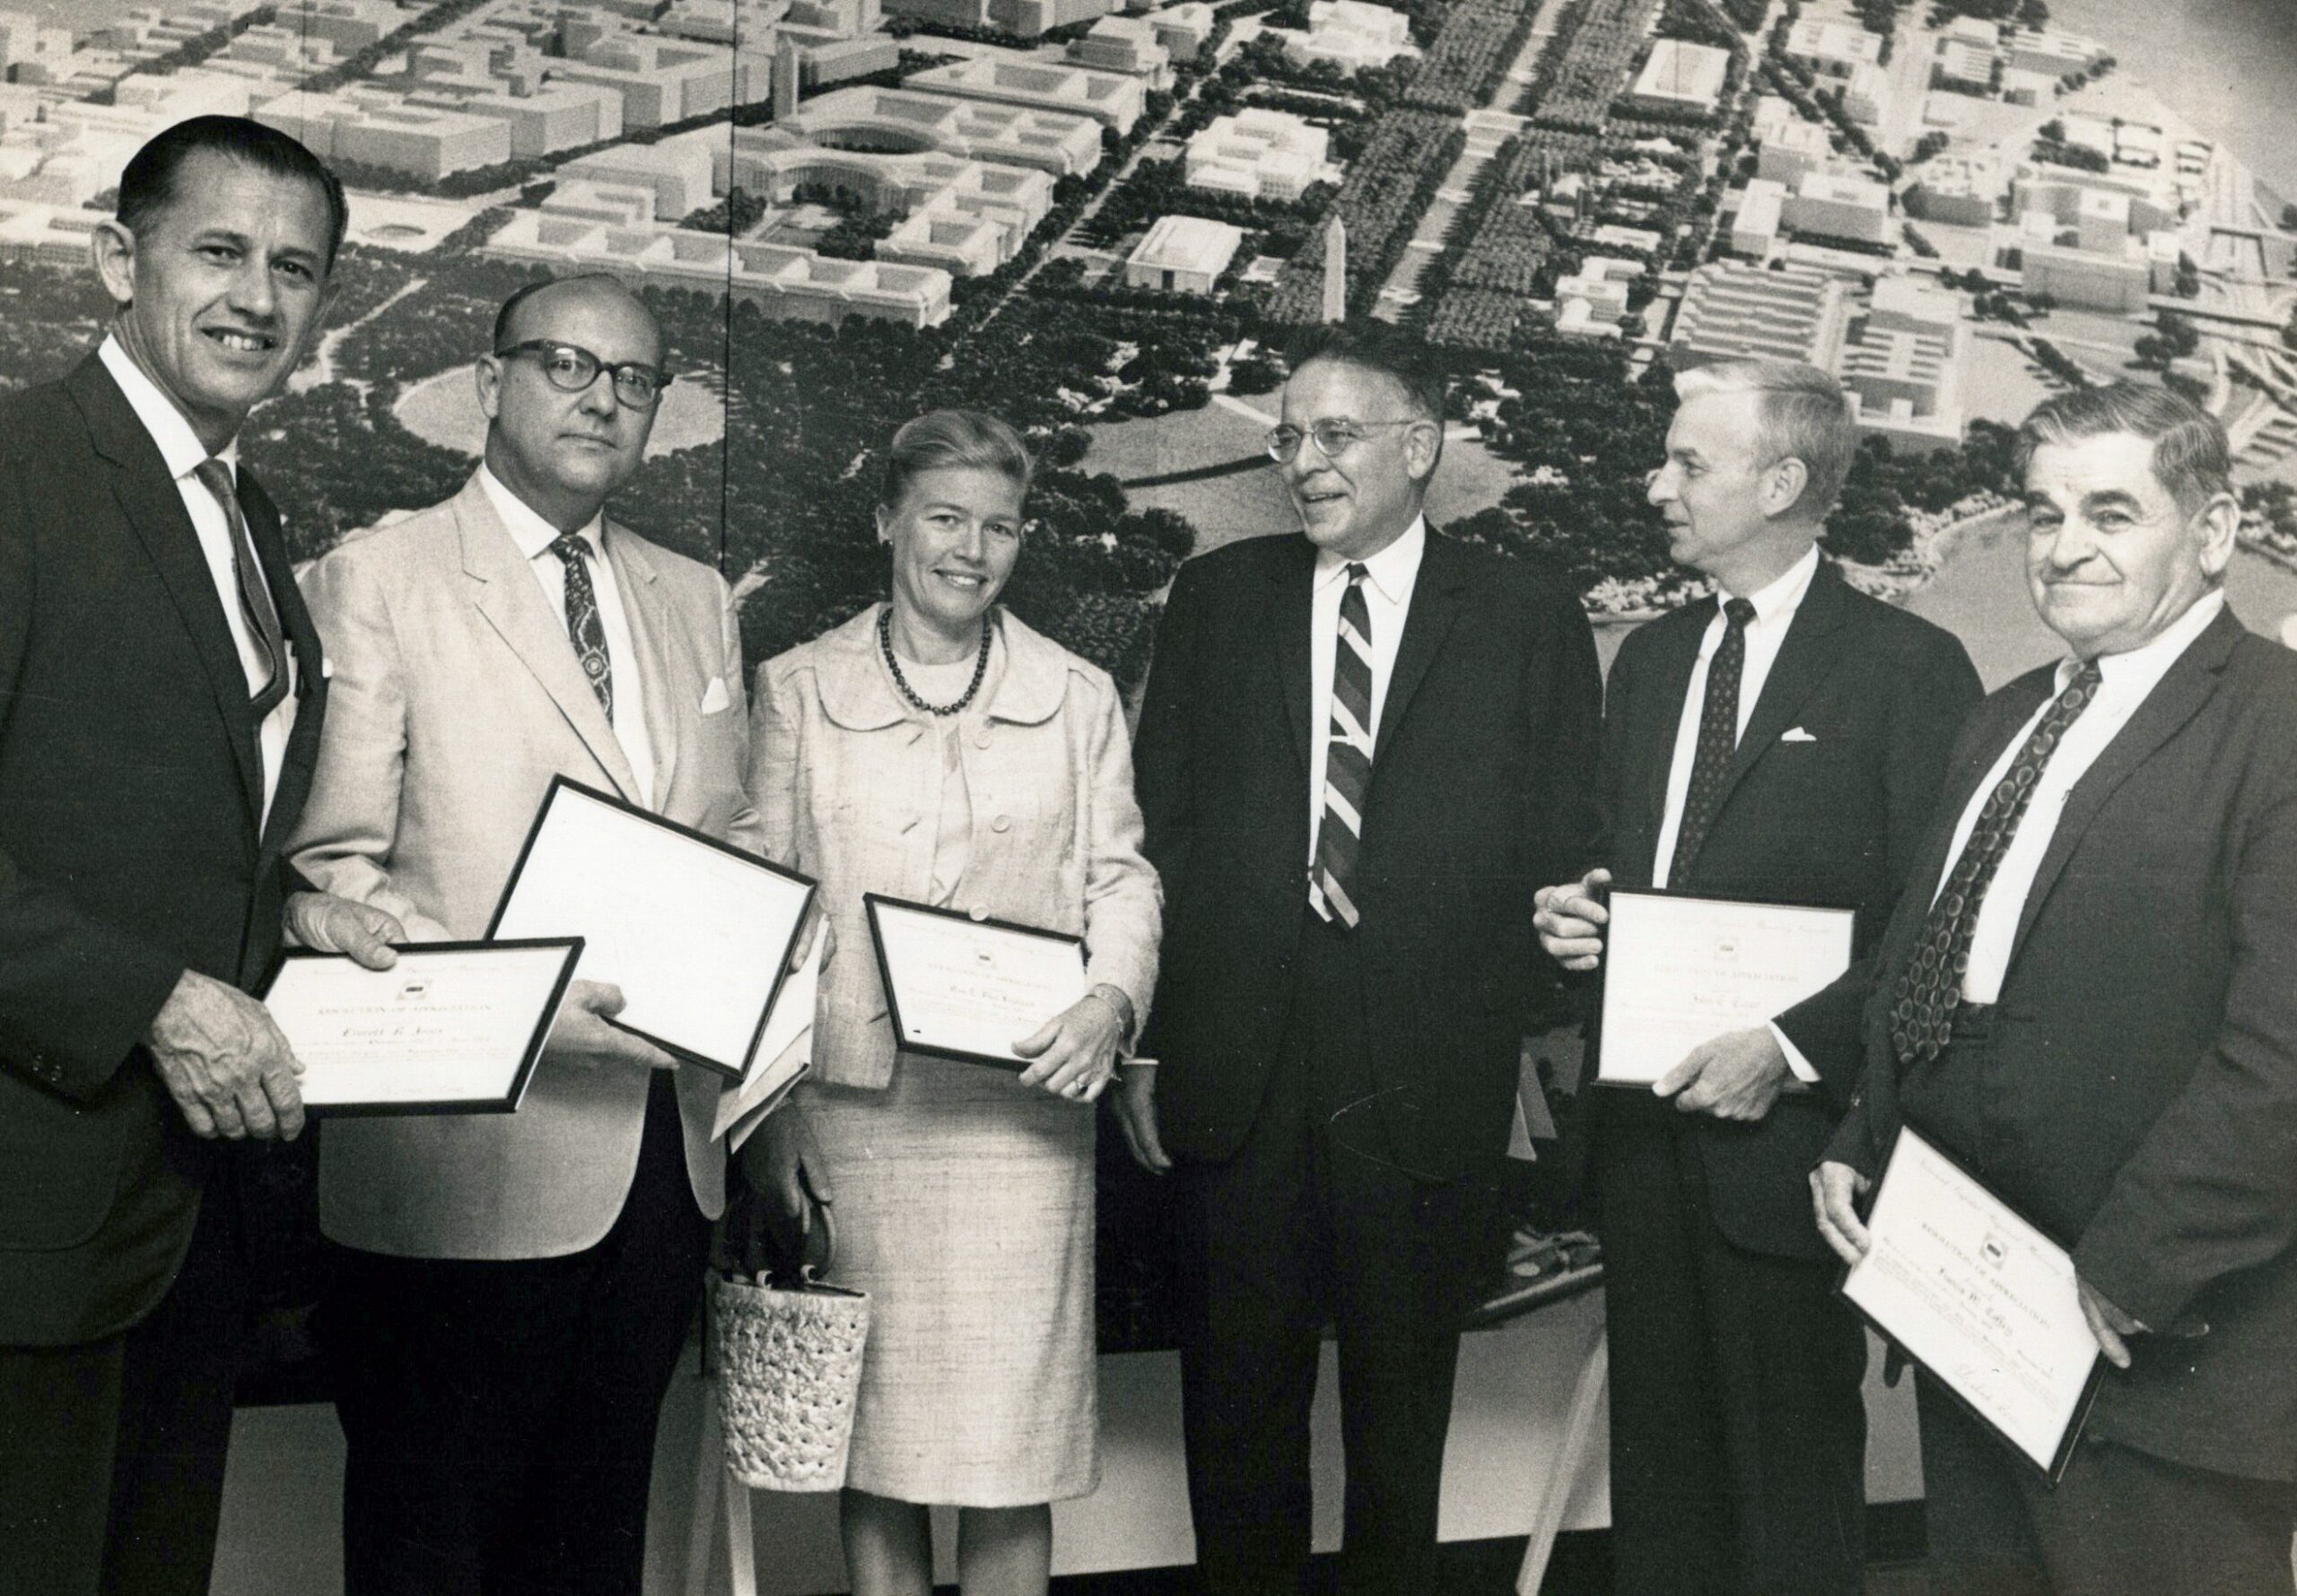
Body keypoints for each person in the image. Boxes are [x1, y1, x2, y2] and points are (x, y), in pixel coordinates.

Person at [289, 274, 759, 1596]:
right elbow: (334, 873)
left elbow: (733, 836)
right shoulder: (378, 577)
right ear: (491, 383)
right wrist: (533, 1000)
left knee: (594, 1548)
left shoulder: (694, 593)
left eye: (635, 380)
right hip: (461, 1165)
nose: (602, 398)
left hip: (663, 1166)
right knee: (430, 1549)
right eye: (567, 364)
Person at [1129, 322, 1604, 1594]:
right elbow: (1156, 831)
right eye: (1288, 437)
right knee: (1234, 1426)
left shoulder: (1525, 616)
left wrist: (1508, 998)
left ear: (1420, 446)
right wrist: (1154, 1043)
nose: (1304, 462)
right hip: (1240, 1077)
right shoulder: (1221, 602)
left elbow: (1567, 849)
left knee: (1403, 1437)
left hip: (1426, 1088)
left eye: (1335, 435)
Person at [0, 117, 399, 1596]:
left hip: (185, 1219)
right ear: (119, 256)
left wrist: (296, 911)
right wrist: (158, 998)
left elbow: (154, 812)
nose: (258, 298)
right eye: (219, 252)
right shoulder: (21, 466)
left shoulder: (247, 511)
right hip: (34, 1200)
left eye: (297, 269)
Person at [1813, 383, 2297, 1596]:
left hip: (2157, 1350)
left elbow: (2282, 1053)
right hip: (1972, 1325)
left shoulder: (2280, 726)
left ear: (2217, 531)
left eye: (2113, 513)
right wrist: (1860, 1133)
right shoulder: (2002, 719)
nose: (2065, 547)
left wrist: (2129, 1270)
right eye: (2044, 513)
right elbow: (1928, 962)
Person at [1532, 359, 1980, 1596]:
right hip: (1642, 1142)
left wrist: (1786, 1051)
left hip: (1789, 1157)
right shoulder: (1656, 661)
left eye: (1688, 463)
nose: (1655, 485)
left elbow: (1935, 924)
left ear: (1784, 483)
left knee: (1790, 1503)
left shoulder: (1909, 669)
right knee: (1662, 1498)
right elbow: (1640, 870)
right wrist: (1585, 916)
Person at [745, 409, 1160, 1596]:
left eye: (998, 526)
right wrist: (771, 1117)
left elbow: (1121, 879)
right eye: (943, 519)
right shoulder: (799, 689)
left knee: (1006, 1447)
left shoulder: (1077, 696)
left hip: (1021, 1119)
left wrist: (1111, 1002)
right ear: (888, 523)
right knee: (879, 1443)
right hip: (858, 1116)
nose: (970, 550)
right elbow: (769, 921)